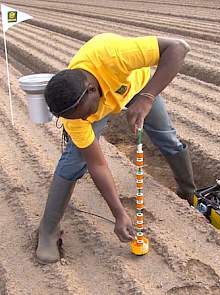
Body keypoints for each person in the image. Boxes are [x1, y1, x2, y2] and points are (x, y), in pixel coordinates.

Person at [36, 33, 197, 264]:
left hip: (137, 89)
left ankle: (188, 192)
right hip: (105, 101)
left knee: (167, 137)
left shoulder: (113, 54)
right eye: (81, 118)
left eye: (86, 114)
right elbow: (97, 163)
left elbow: (179, 46)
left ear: (91, 89)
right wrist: (119, 213)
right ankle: (48, 230)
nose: (86, 119)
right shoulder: (75, 116)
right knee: (74, 160)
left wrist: (148, 97)